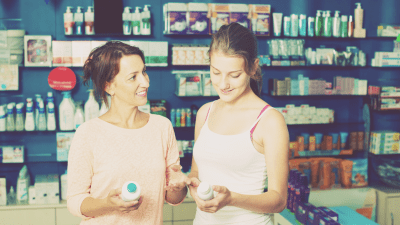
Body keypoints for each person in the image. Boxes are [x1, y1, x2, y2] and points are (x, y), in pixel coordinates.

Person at [67, 41, 189, 224]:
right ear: (109, 86)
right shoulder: (88, 133)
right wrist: (108, 204)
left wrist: (178, 186)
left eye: (144, 72)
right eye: (133, 77)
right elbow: (75, 200)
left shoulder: (162, 127)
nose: (145, 82)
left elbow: (174, 198)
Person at [187, 23, 289, 224]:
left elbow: (279, 200)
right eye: (216, 72)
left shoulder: (269, 121)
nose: (223, 84)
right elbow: (196, 174)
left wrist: (232, 199)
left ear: (253, 67)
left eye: (234, 75)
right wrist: (191, 189)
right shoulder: (205, 113)